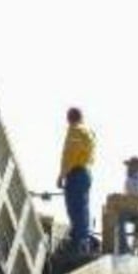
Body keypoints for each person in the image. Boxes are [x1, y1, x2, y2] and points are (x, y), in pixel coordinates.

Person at [57, 107, 96, 252]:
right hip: (85, 172)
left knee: (74, 208)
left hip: (76, 173)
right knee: (82, 208)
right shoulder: (88, 131)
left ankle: (79, 242)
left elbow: (70, 155)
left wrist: (61, 175)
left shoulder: (75, 130)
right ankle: (83, 240)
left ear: (69, 118)